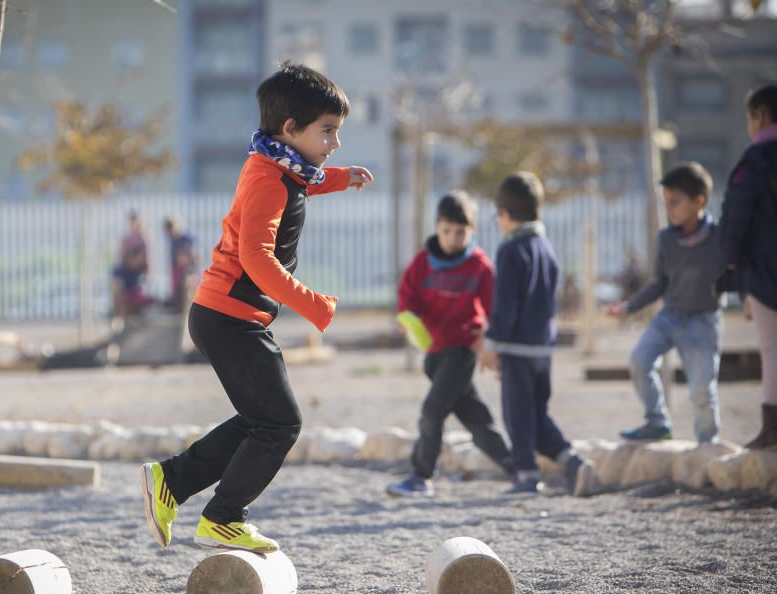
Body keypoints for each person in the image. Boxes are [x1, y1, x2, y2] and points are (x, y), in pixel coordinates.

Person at [140, 63, 374, 553]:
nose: (334, 143)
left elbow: (305, 180)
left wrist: (340, 178)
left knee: (260, 419)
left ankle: (170, 481)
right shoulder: (268, 178)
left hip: (226, 316)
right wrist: (313, 303)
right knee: (282, 423)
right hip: (230, 319)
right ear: (290, 129)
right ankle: (223, 517)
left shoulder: (279, 164)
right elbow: (256, 257)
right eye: (327, 131)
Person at [386, 190, 512, 498]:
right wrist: (407, 319)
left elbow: (495, 309)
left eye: (460, 231)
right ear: (436, 227)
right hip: (434, 353)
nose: (453, 237)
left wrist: (488, 341)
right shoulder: (422, 262)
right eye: (446, 231)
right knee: (475, 417)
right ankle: (518, 467)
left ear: (472, 231)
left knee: (432, 411)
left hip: (462, 350)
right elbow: (408, 298)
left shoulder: (480, 266)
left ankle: (420, 475)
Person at [478, 172, 592, 497]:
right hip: (542, 347)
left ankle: (526, 474)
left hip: (515, 349)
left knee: (517, 416)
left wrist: (492, 344)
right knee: (537, 416)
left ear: (505, 215)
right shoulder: (546, 247)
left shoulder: (511, 250)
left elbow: (506, 304)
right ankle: (573, 463)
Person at [604, 162, 725, 444]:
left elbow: (737, 271)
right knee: (639, 361)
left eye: (675, 203)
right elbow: (659, 282)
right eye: (666, 203)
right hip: (669, 317)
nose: (669, 210)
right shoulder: (666, 239)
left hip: (703, 321)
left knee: (702, 392)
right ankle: (657, 422)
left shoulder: (719, 238)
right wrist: (627, 307)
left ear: (700, 201)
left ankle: (708, 445)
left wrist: (747, 300)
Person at [720, 84, 777, 448]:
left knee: (772, 348)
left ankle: (773, 426)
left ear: (759, 116)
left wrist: (732, 267)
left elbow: (735, 220)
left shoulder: (754, 162)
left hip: (766, 271)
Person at [164, 216, 196, 312]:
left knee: (187, 285)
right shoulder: (172, 240)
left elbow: (195, 258)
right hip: (177, 272)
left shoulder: (187, 239)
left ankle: (186, 311)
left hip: (189, 271)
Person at [111, 245, 152, 317]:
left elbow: (145, 282)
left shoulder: (137, 269)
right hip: (124, 298)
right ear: (131, 257)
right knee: (118, 293)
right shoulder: (119, 269)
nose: (140, 262)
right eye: (138, 259)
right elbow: (117, 289)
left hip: (135, 297)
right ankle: (120, 317)